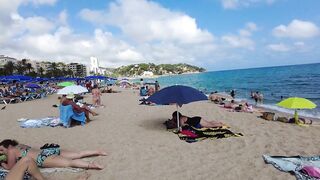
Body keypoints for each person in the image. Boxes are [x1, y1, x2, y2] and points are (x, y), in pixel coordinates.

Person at [0, 139, 107, 171]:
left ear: (8, 146)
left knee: (69, 162)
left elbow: (11, 167)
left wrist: (2, 164)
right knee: (78, 154)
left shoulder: (10, 151)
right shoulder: (20, 145)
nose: (1, 152)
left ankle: (92, 165)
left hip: (42, 158)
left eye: (1, 149)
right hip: (47, 151)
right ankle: (97, 151)